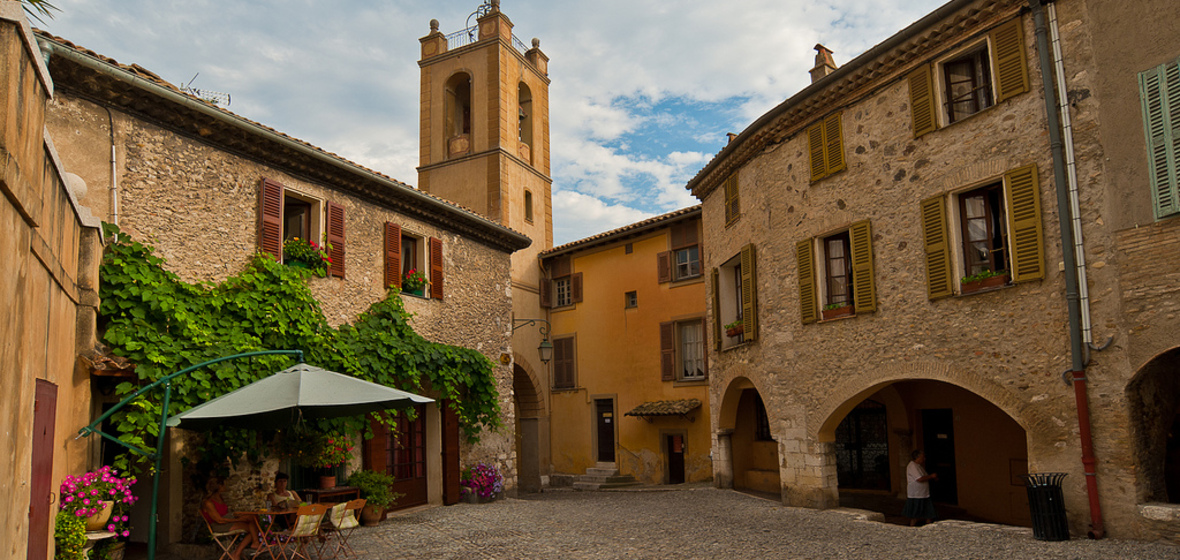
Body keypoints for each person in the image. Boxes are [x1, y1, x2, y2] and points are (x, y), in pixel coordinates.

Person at [201, 476, 259, 560]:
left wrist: (238, 515)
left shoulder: (220, 498)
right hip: (219, 525)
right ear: (219, 487)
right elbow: (219, 520)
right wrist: (239, 519)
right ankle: (238, 553)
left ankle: (252, 544)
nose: (225, 487)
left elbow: (225, 513)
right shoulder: (208, 502)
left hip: (227, 521)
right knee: (252, 529)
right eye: (223, 485)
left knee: (252, 518)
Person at [903, 449, 939, 526]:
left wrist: (931, 477)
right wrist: (931, 476)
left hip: (924, 493)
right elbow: (920, 479)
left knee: (928, 513)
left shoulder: (919, 466)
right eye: (922, 457)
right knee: (915, 515)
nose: (924, 459)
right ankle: (912, 528)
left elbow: (924, 476)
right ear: (918, 457)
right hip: (917, 494)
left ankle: (928, 526)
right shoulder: (912, 466)